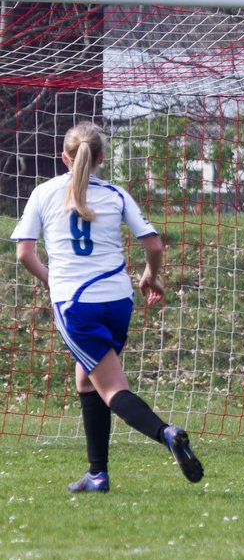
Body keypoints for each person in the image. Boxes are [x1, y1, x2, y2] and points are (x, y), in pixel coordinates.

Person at [11, 122, 202, 491]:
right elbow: (154, 245)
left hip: (75, 303)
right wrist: (150, 276)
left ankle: (167, 433)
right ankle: (97, 474)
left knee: (112, 388)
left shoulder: (44, 192)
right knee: (87, 378)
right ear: (101, 157)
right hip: (117, 299)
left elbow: (24, 253)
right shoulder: (116, 195)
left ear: (64, 156)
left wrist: (53, 280)